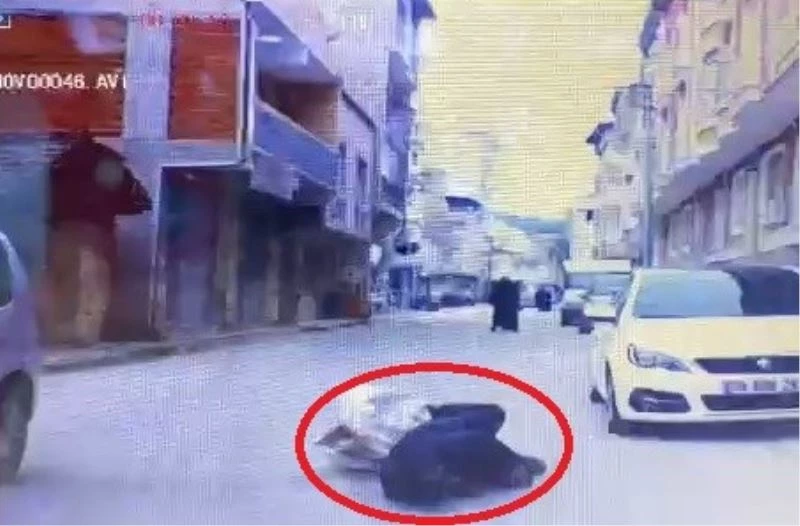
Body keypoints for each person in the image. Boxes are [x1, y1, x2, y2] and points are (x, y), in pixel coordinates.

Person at [378, 403, 546, 505]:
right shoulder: (462, 440)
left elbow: (476, 441)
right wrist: (512, 461)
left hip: (421, 456)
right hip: (424, 458)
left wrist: (512, 461)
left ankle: (506, 468)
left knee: (490, 416)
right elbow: (477, 440)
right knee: (492, 414)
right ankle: (507, 468)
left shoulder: (448, 441)